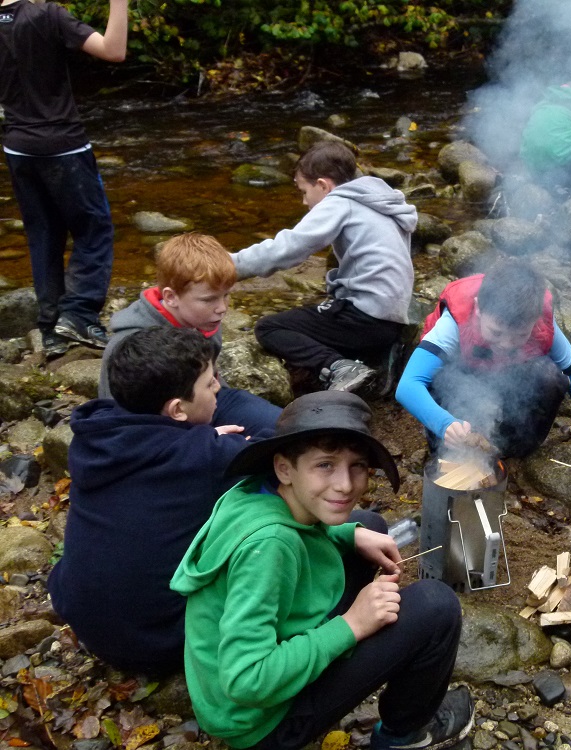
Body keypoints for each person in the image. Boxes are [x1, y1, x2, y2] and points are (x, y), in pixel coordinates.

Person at [170, 391, 471, 750]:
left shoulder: (253, 492)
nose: (345, 485)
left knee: (366, 523)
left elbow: (301, 527)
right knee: (436, 606)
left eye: (357, 465)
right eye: (325, 465)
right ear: (284, 467)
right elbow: (247, 680)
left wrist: (349, 534)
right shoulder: (270, 547)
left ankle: (347, 547)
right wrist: (352, 625)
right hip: (259, 723)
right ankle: (403, 736)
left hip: (234, 693)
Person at [48, 327, 258, 675]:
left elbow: (169, 456)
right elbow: (276, 451)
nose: (219, 386)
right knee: (264, 515)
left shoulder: (95, 439)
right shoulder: (204, 457)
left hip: (86, 623)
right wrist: (211, 443)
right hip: (160, 644)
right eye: (209, 383)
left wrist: (201, 440)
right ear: (177, 410)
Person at [230, 141, 417, 395]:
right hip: (392, 320)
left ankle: (340, 367)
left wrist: (231, 265)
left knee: (270, 327)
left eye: (304, 191)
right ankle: (378, 358)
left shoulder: (340, 202)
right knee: (323, 311)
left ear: (323, 185)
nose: (304, 202)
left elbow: (289, 248)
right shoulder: (381, 202)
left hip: (365, 319)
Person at [0, 0, 128, 357]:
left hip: (17, 148)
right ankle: (80, 315)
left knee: (43, 235)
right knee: (94, 229)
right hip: (63, 146)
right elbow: (113, 51)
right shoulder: (48, 15)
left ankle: (51, 328)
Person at [396, 258, 571, 473]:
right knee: (441, 377)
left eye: (520, 335)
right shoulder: (454, 322)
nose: (505, 344)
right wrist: (444, 424)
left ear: (535, 320)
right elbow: (408, 385)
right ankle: (449, 445)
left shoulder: (542, 325)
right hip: (460, 378)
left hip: (507, 379)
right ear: (478, 308)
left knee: (550, 375)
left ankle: (514, 448)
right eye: (496, 332)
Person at [98, 232, 281, 436]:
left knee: (288, 428)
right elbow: (116, 419)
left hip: (210, 401)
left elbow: (213, 381)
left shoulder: (203, 318)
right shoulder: (129, 343)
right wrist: (207, 440)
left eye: (226, 295)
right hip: (158, 428)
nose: (222, 308)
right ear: (171, 297)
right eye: (208, 299)